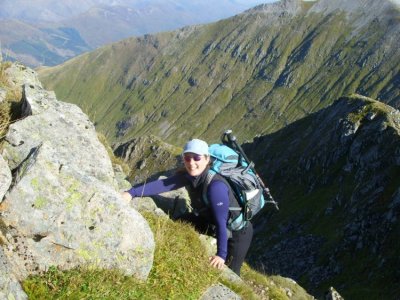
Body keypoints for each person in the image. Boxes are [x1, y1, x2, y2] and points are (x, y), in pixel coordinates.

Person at [121, 138, 253, 276]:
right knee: (179, 222)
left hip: (237, 233)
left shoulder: (216, 187)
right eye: (187, 158)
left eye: (197, 158)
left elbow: (222, 223)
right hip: (210, 221)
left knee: (230, 272)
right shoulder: (189, 176)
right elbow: (162, 185)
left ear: (207, 159)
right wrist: (131, 193)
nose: (192, 163)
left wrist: (220, 255)